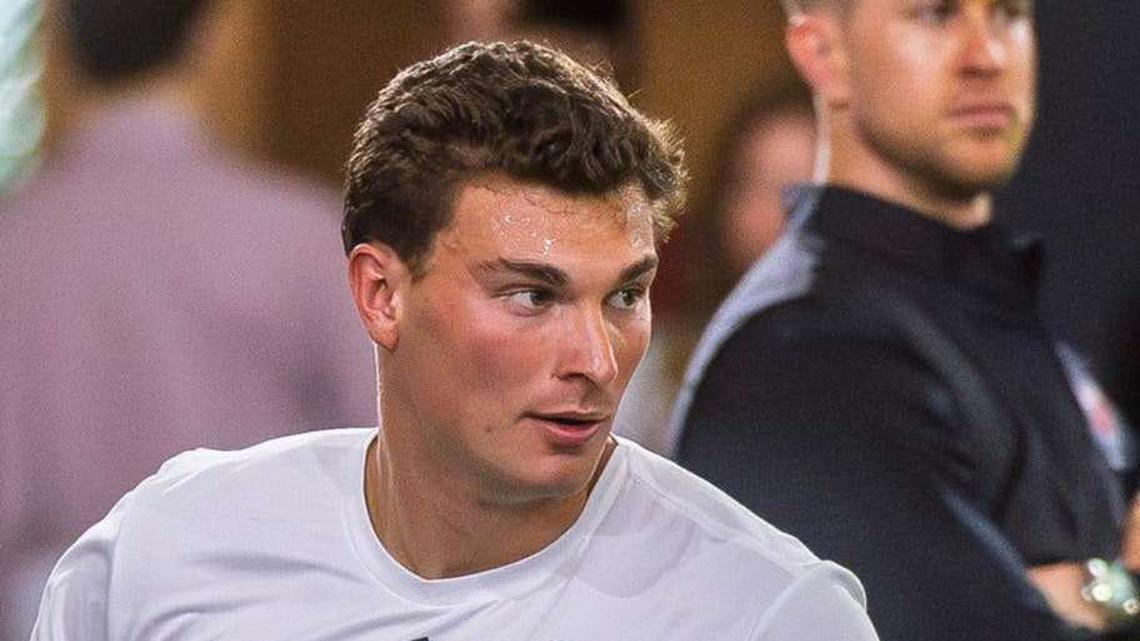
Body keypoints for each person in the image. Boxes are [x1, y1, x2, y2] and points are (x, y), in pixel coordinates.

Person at [30, 41, 879, 641]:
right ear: (381, 294)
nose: (594, 357)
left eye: (625, 293)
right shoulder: (168, 549)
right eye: (530, 295)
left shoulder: (768, 612)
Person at [673, 1, 1140, 640]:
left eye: (1008, 14)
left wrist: (1089, 593)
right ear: (822, 53)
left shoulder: (994, 315)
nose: (988, 56)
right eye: (935, 14)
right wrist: (1117, 587)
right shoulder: (804, 352)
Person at [0, 0, 375, 636]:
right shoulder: (305, 240)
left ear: (59, 36)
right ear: (214, 34)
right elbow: (394, 475)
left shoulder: (16, 246)